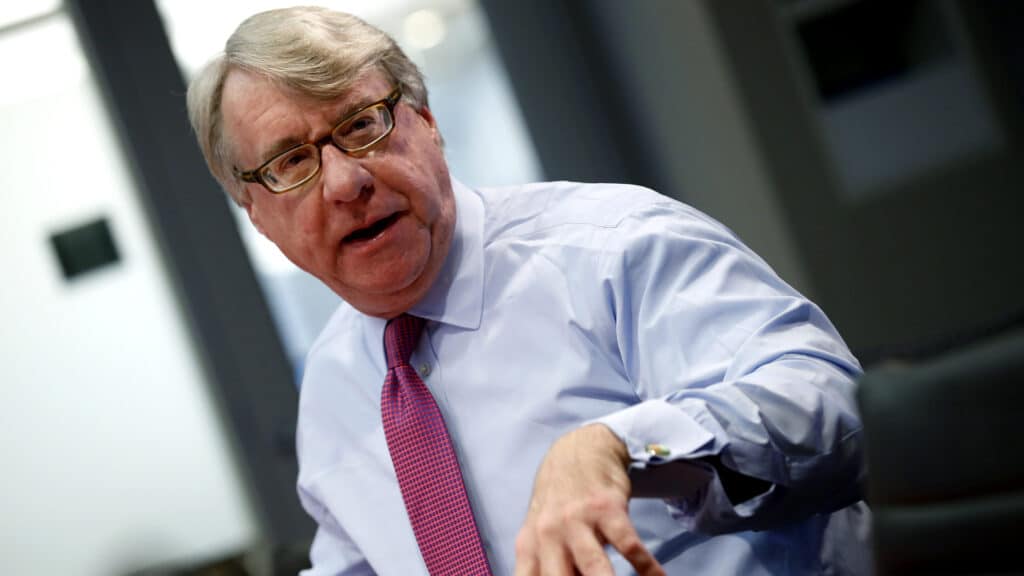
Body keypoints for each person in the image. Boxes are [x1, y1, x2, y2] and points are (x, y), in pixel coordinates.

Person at [186, 6, 870, 575]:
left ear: (426, 124)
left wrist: (620, 444)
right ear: (257, 214)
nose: (344, 183)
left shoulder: (612, 247)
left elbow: (833, 402)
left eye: (362, 125)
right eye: (292, 162)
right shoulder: (334, 388)